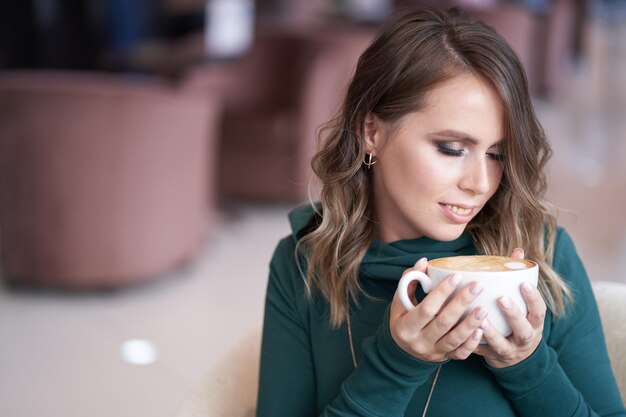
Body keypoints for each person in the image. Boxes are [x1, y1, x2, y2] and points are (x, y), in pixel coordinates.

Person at [256, 7, 626, 417]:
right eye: (451, 149)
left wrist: (527, 366)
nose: (481, 183)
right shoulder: (300, 265)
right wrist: (395, 366)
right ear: (372, 132)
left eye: (498, 154)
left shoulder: (543, 255)